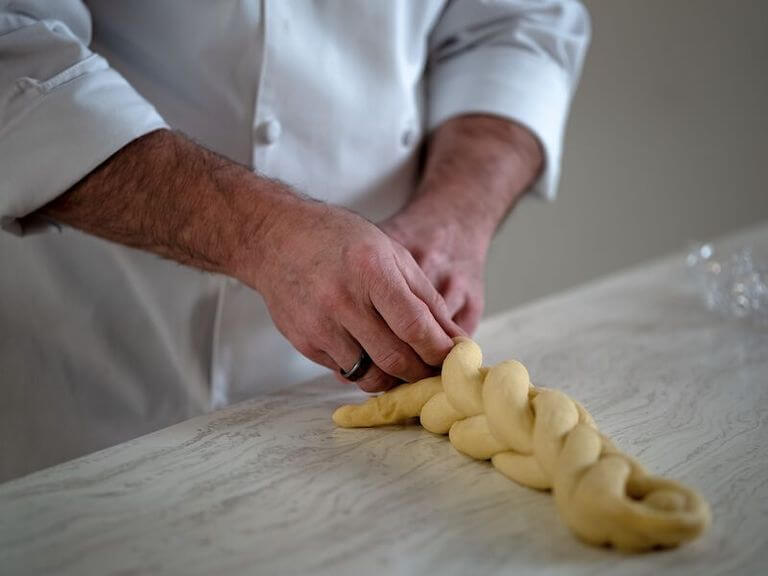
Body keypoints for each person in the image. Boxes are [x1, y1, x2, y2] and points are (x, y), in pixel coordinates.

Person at [0, 0, 590, 480]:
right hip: (89, 378)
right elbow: (12, 49)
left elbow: (516, 25)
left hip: (373, 395)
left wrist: (457, 217)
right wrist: (261, 233)